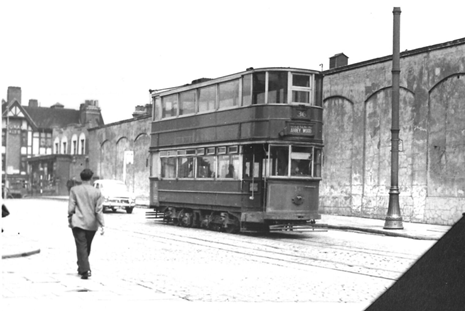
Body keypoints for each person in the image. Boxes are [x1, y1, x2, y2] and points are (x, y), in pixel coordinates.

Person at [68, 169, 104, 280]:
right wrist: (102, 224)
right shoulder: (97, 192)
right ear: (91, 178)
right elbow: (98, 210)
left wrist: (70, 217)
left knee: (81, 246)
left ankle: (83, 268)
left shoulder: (74, 190)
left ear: (81, 178)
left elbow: (71, 207)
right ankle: (84, 268)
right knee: (86, 246)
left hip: (77, 222)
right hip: (91, 224)